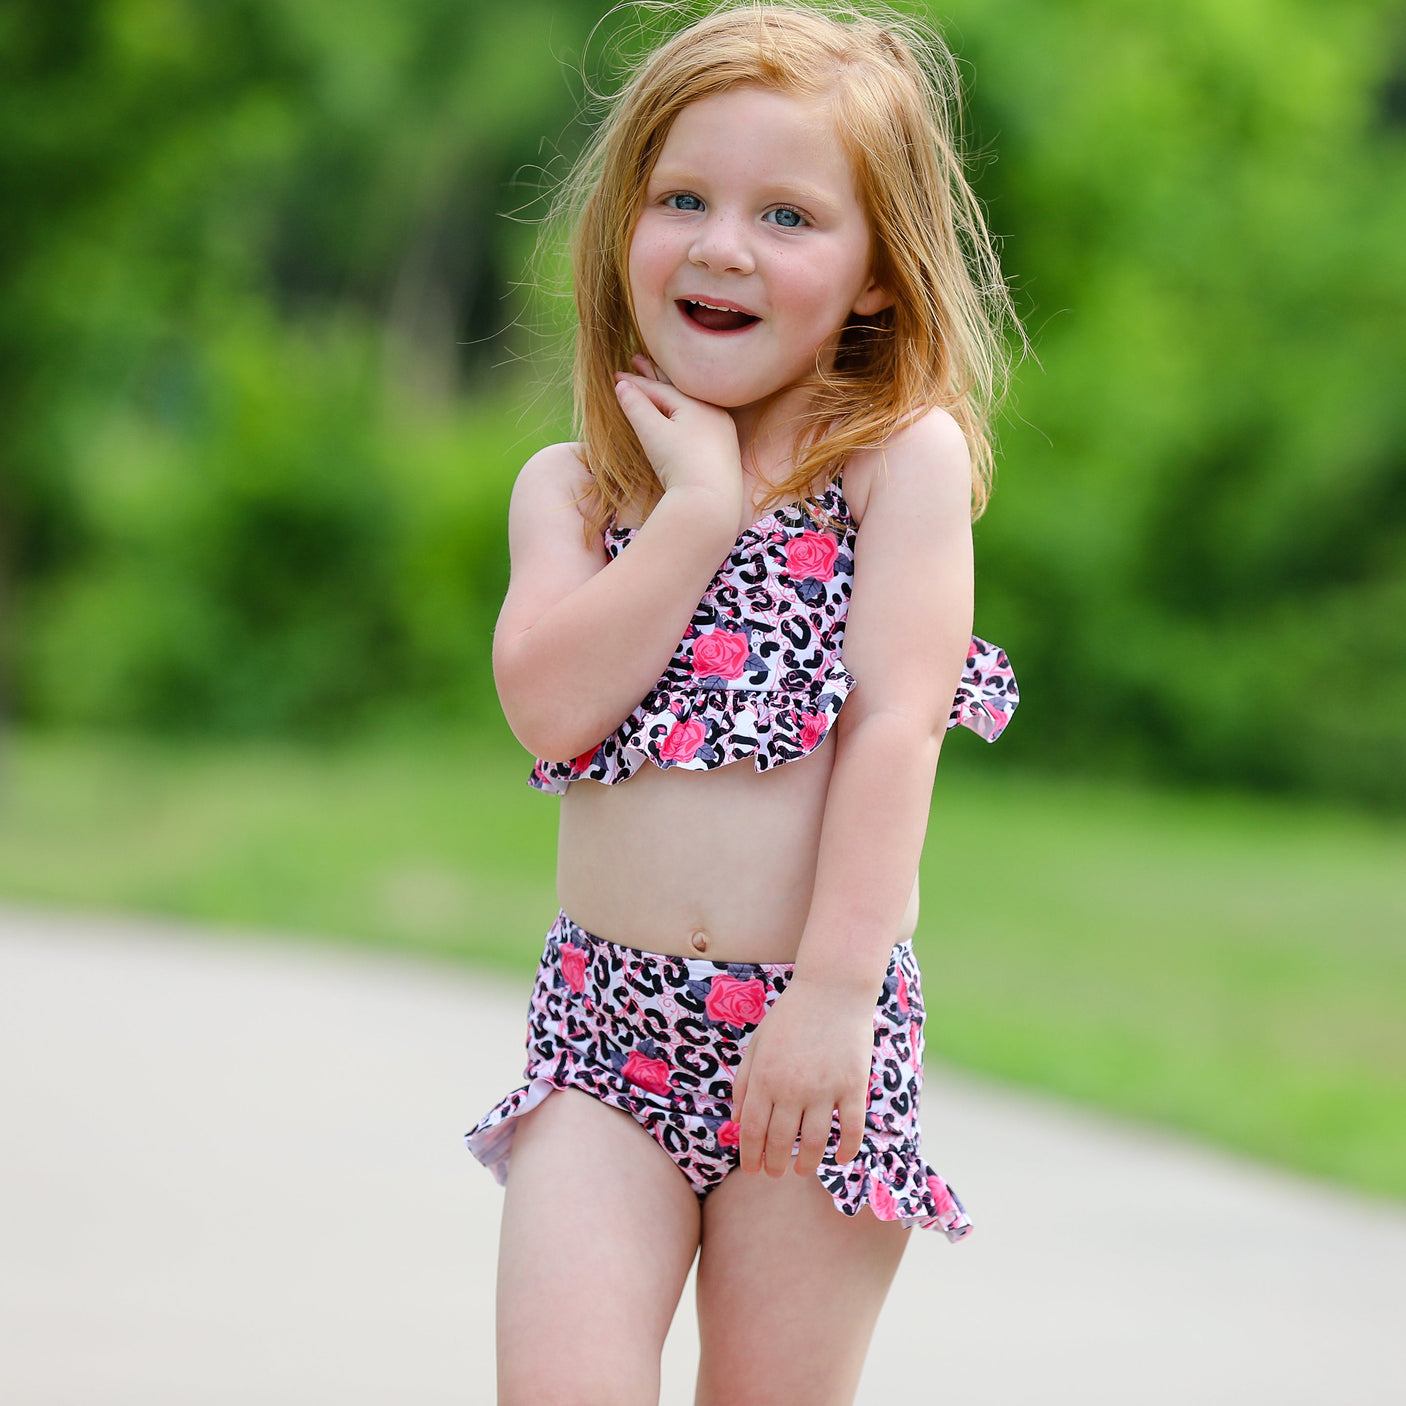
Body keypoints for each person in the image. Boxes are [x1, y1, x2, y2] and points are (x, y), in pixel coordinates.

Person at [466, 3, 1023, 1402]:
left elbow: (897, 726)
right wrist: (695, 512)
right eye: (683, 200)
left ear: (877, 276)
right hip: (605, 1038)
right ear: (625, 228)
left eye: (787, 215)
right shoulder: (576, 489)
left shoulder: (894, 462)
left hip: (812, 1030)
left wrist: (833, 997)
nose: (723, 245)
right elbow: (549, 711)